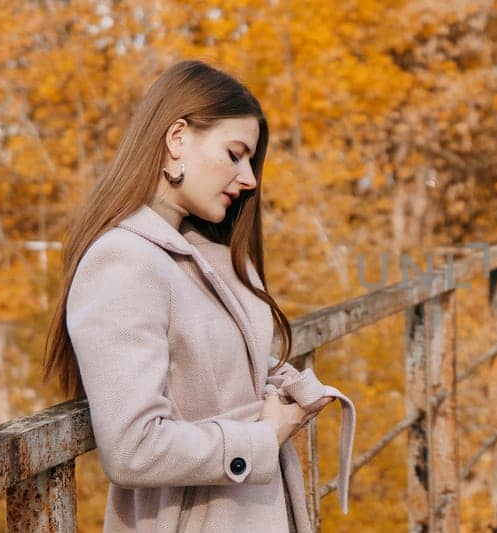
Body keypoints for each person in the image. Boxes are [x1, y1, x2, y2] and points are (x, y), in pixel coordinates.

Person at [41, 59, 355, 532]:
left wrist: (282, 391)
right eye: (235, 154)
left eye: (250, 161)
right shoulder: (124, 261)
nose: (248, 178)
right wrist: (262, 437)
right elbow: (132, 449)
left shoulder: (213, 256)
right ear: (177, 139)